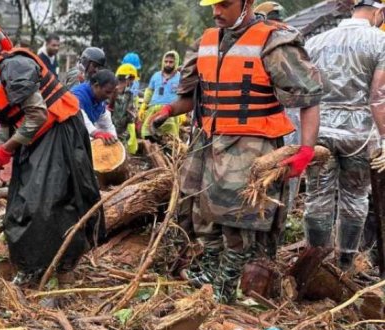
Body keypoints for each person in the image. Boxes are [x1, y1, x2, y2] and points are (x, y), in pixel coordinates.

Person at [150, 0, 322, 302]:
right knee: (202, 215)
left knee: (238, 222)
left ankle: (227, 287)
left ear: (247, 3)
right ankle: (210, 273)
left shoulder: (273, 41)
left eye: (225, 4)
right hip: (208, 141)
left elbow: (309, 98)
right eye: (213, 5)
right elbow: (191, 97)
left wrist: (305, 150)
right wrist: (168, 110)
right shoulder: (205, 42)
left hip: (250, 145)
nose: (217, 11)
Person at [0, 14, 103, 285]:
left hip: (60, 131)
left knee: (46, 204)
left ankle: (61, 270)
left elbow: (37, 115)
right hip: (37, 137)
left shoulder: (15, 66)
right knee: (19, 204)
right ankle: (33, 267)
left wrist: (7, 148)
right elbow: (7, 120)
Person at [304, 0, 385, 271]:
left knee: (317, 197)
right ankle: (345, 263)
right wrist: (384, 139)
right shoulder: (379, 41)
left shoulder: (316, 41)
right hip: (360, 134)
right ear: (378, 13)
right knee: (355, 197)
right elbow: (378, 97)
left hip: (320, 129)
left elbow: (306, 92)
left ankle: (315, 264)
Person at [140, 50, 182, 141]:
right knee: (147, 133)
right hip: (153, 109)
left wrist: (183, 113)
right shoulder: (156, 75)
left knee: (170, 138)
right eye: (166, 61)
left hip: (171, 111)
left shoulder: (180, 77)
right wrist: (144, 105)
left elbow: (183, 94)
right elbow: (149, 91)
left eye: (171, 62)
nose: (168, 64)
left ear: (176, 62)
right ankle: (151, 152)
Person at [72, 69, 119, 143]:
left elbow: (107, 125)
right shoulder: (78, 95)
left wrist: (115, 142)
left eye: (112, 93)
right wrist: (96, 132)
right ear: (96, 86)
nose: (110, 96)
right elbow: (80, 118)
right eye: (107, 92)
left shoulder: (100, 101)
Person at [112, 64, 139, 143]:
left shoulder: (129, 94)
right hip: (109, 129)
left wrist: (134, 116)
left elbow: (130, 115)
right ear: (127, 78)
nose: (132, 82)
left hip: (121, 132)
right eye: (132, 79)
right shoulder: (111, 91)